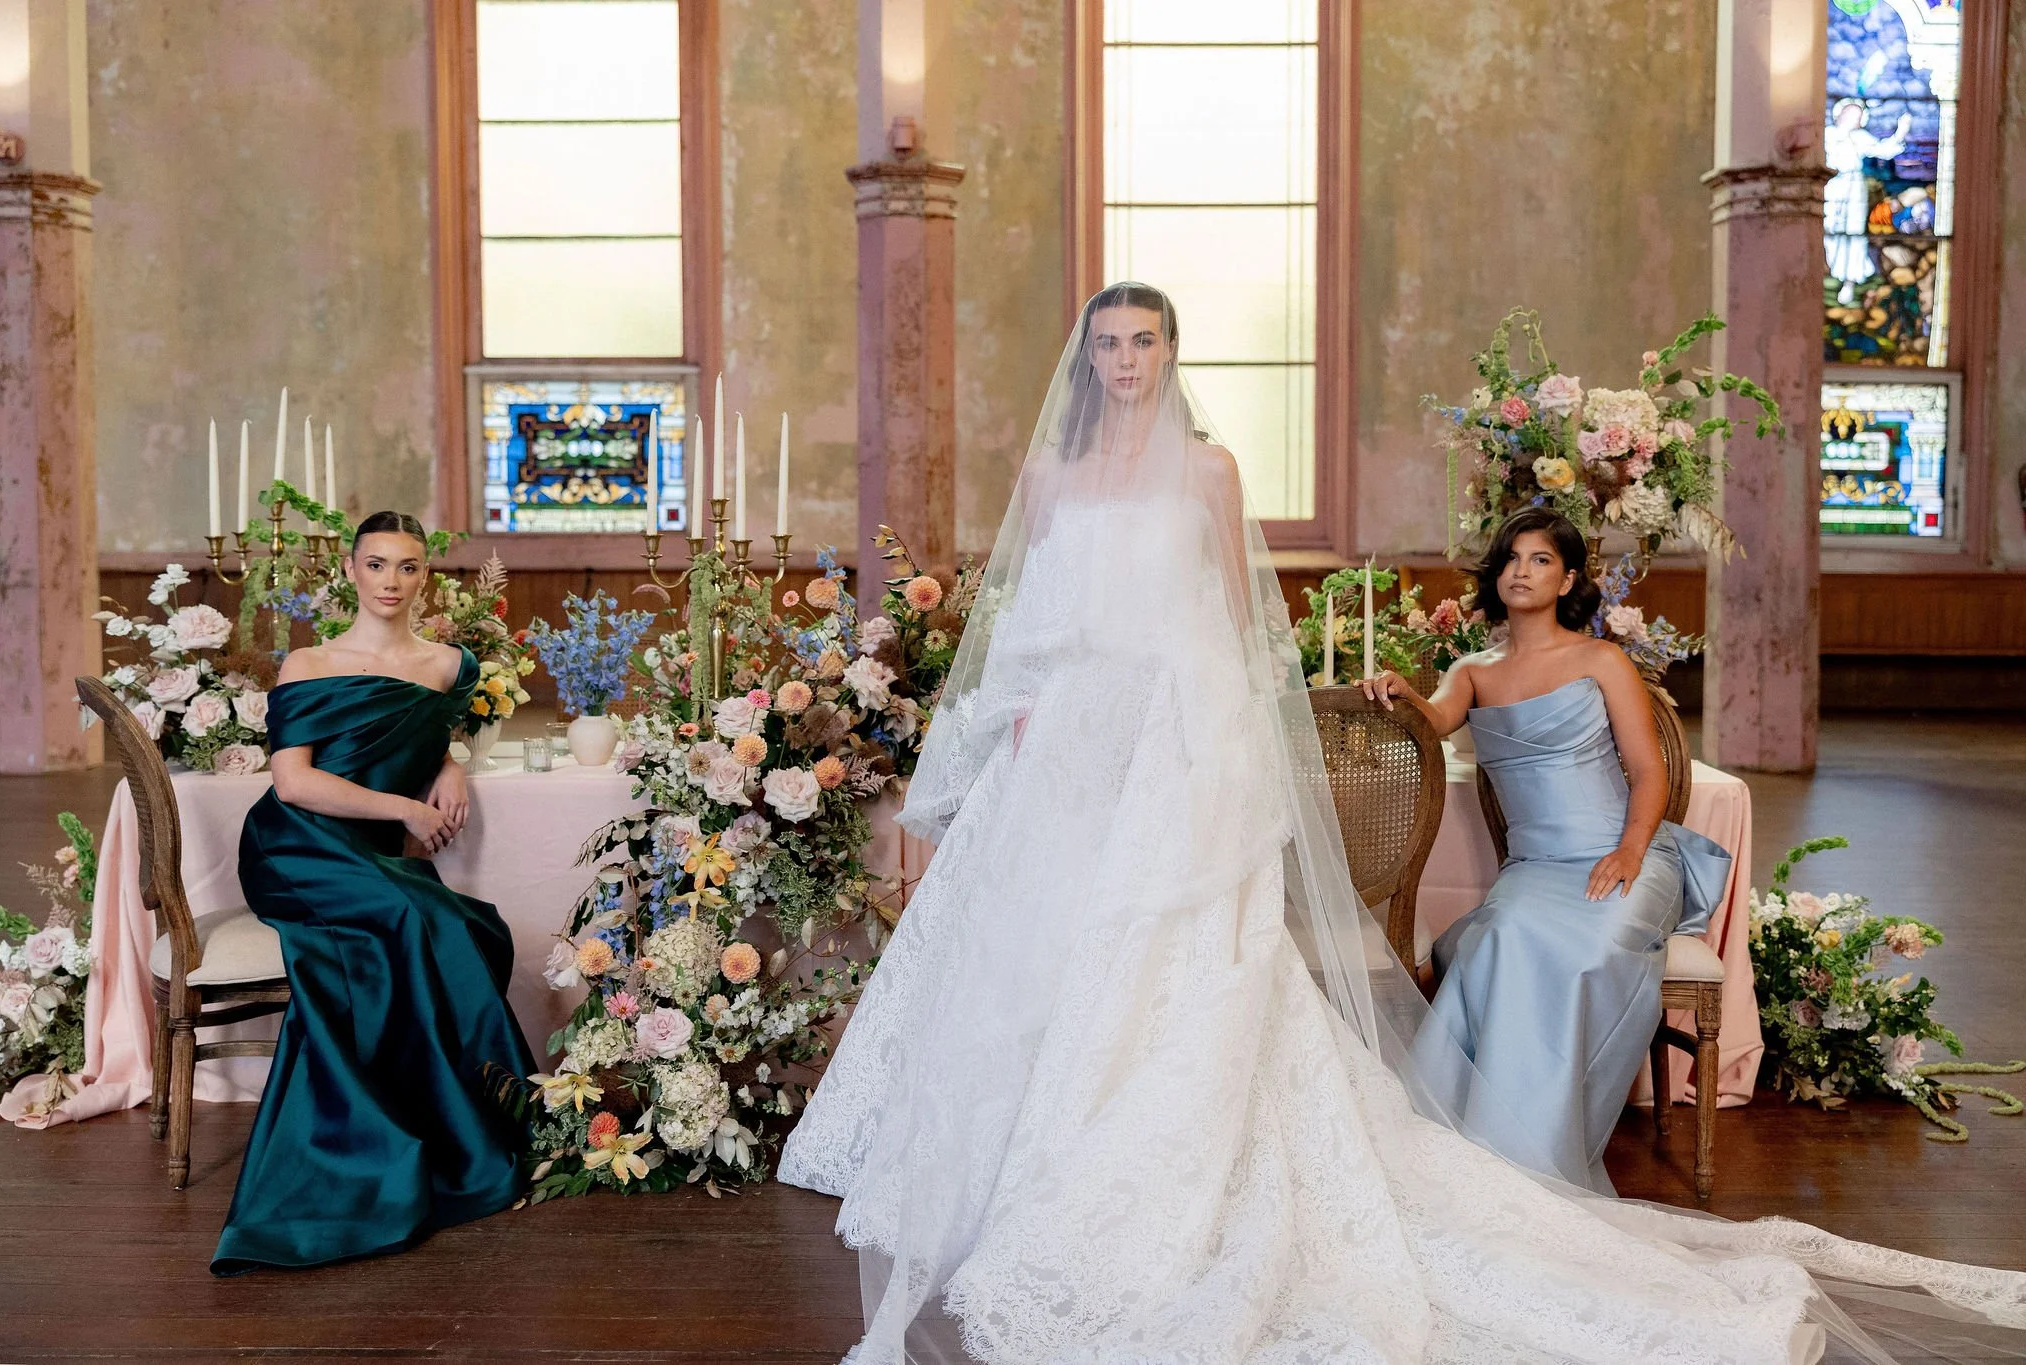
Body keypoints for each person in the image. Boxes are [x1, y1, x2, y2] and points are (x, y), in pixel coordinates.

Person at [777, 283, 2026, 1362]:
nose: (1124, 361)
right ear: (1086, 358)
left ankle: (1161, 1168)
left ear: (1169, 356)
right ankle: (1028, 1168)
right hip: (1072, 744)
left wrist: (1216, 746)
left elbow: (1228, 613)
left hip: (1166, 740)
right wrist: (1026, 708)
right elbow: (1031, 605)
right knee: (1042, 949)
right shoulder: (1048, 475)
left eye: (1145, 342)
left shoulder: (1208, 470)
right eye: (1107, 342)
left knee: (1170, 956)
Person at [1360, 506, 1734, 1193]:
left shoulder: (1602, 660)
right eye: (1510, 559)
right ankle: (1471, 1157)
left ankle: (1538, 1151)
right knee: (1501, 937)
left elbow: (1649, 774)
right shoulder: (1473, 671)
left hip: (1624, 854)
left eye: (1539, 560)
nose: (1521, 571)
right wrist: (1397, 688)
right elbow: (1433, 717)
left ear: (1567, 579)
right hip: (1535, 871)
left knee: (1592, 948)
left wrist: (1627, 852)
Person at [211, 511, 534, 1275]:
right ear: (351, 571)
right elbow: (292, 781)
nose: (392, 581)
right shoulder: (310, 662)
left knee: (465, 925)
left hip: (368, 856)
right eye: (378, 564)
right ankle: (367, 1153)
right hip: (294, 847)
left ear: (427, 576)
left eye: (408, 566)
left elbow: (438, 730)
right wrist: (406, 808)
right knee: (409, 912)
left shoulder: (451, 665)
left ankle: (468, 1123)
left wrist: (450, 760)